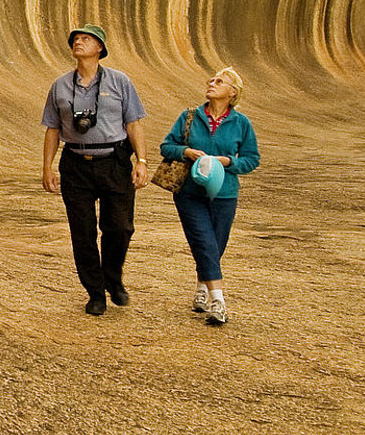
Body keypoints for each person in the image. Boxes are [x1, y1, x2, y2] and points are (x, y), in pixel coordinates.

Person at [40, 25, 149, 316]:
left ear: (99, 48)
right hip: (75, 164)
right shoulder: (60, 86)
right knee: (82, 232)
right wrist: (47, 167)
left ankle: (113, 277)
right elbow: (52, 128)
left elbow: (134, 123)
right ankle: (95, 292)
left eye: (86, 38)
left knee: (121, 227)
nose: (78, 41)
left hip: (114, 161)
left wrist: (141, 161)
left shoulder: (119, 82)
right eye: (76, 39)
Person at [159, 67, 260, 325]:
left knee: (215, 246)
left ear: (233, 92)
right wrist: (186, 152)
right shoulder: (189, 116)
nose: (212, 83)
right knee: (204, 241)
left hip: (225, 194)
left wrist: (228, 162)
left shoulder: (241, 123)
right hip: (190, 193)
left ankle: (201, 290)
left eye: (219, 81)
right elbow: (167, 146)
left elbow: (251, 159)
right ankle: (218, 301)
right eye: (211, 80)